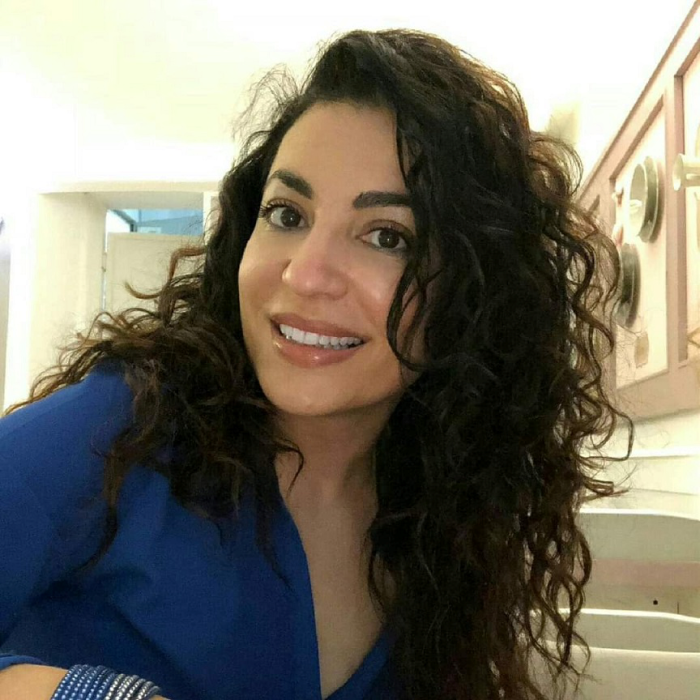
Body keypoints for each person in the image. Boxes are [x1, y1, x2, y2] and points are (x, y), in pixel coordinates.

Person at [0, 27, 635, 700]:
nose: (304, 275)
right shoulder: (124, 427)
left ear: (475, 293)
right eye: (287, 213)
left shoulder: (452, 511)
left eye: (386, 236)